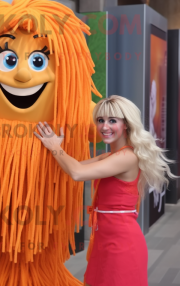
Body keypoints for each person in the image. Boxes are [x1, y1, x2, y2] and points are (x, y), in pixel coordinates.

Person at [34, 95, 176, 286]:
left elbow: (77, 173)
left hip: (121, 242)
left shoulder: (127, 156)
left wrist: (54, 147)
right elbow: (72, 168)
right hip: (104, 238)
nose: (104, 127)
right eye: (100, 120)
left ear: (126, 124)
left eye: (112, 121)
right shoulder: (112, 156)